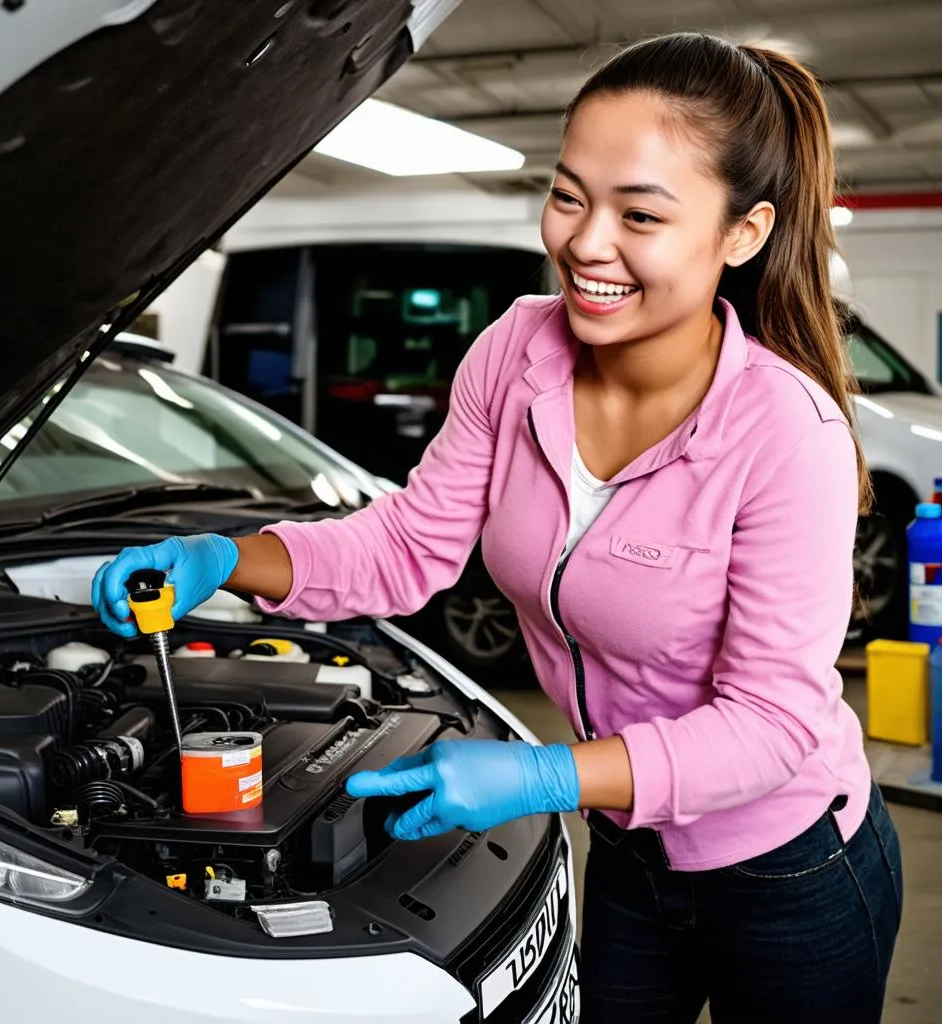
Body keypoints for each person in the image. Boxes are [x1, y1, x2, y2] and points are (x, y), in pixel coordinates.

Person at [92, 32, 902, 1023]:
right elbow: (409, 544)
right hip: (630, 845)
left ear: (742, 233)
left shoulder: (785, 432)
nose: (585, 243)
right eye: (568, 196)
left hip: (789, 865)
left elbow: (771, 726)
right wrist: (230, 559)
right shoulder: (517, 348)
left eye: (639, 214)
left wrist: (541, 773)